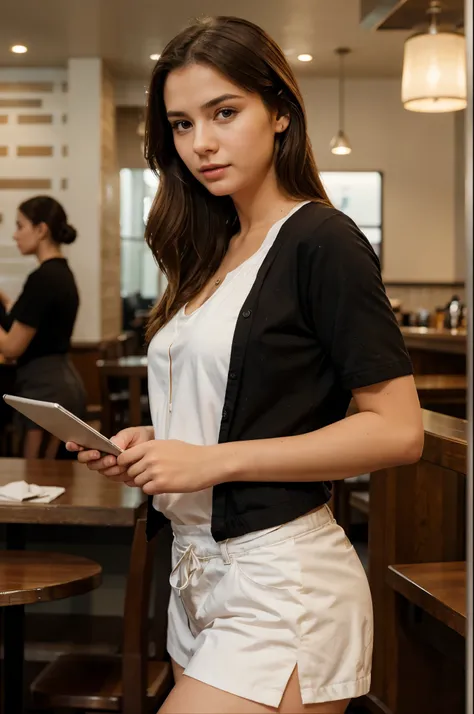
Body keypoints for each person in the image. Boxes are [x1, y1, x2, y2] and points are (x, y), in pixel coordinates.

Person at [67, 16, 424, 714]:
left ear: (281, 112)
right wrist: (149, 447)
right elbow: (221, 406)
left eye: (224, 113)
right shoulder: (211, 249)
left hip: (283, 583)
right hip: (196, 580)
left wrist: (213, 462)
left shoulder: (322, 240)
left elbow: (396, 431)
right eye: (180, 124)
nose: (201, 142)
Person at [0, 196, 86, 458]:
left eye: (20, 226)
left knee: (37, 484)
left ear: (41, 230)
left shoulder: (43, 278)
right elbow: (27, 319)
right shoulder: (59, 273)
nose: (15, 235)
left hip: (45, 391)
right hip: (58, 385)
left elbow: (12, 347)